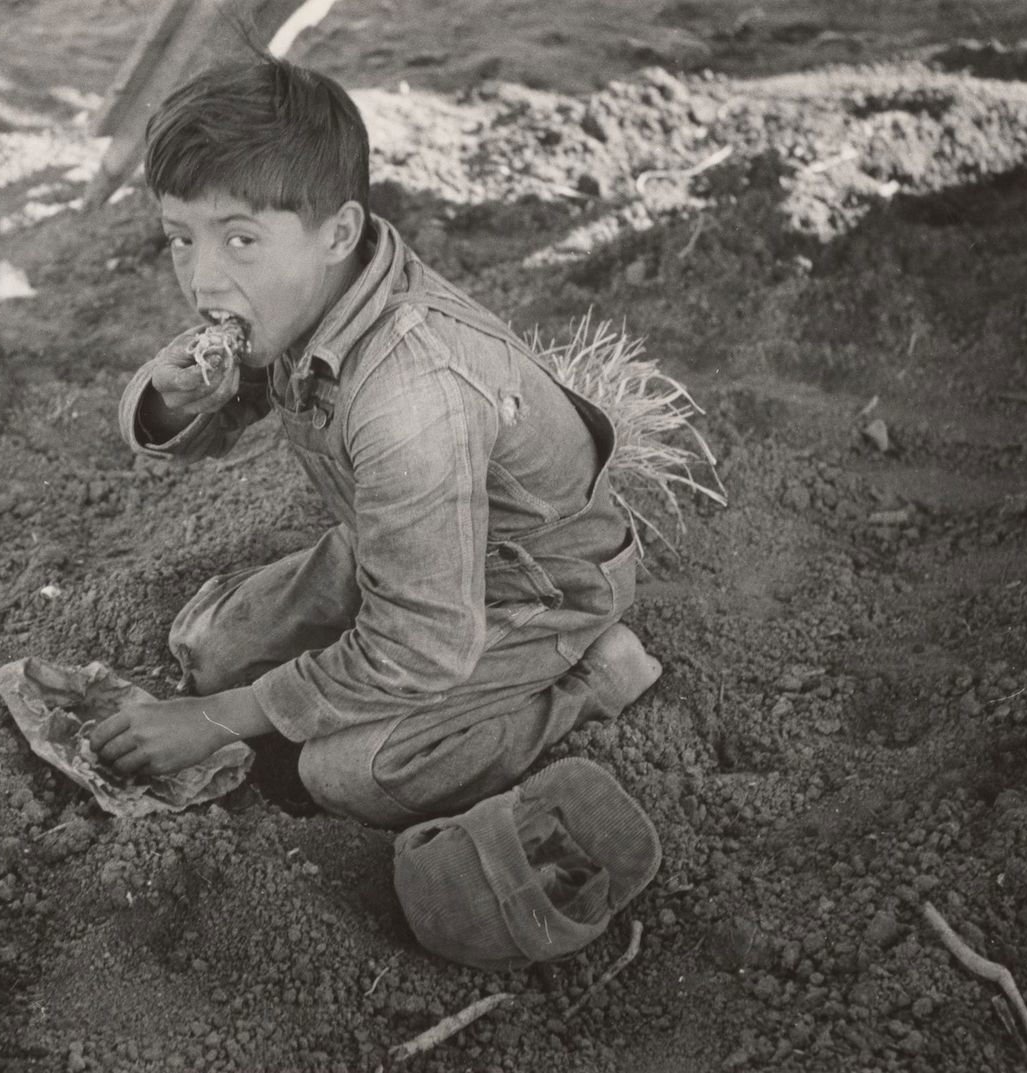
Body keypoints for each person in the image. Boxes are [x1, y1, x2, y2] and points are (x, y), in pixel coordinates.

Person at [88, 55, 662, 828]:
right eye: (181, 239)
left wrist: (219, 720)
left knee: (355, 772)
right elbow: (220, 412)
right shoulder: (304, 294)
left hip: (534, 584)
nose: (204, 282)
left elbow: (423, 644)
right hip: (398, 545)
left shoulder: (411, 394)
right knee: (207, 647)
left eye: (241, 240)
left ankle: (591, 677)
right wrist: (167, 398)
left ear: (339, 233)